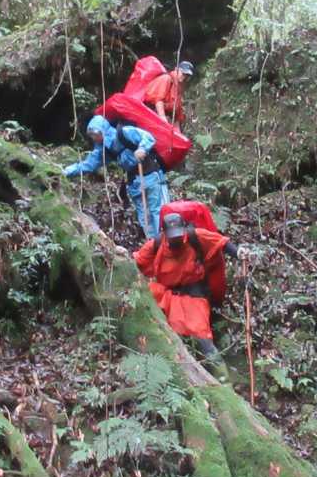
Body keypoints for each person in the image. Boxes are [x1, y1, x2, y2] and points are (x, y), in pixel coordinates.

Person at [133, 212, 241, 361]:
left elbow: (221, 242)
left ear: (184, 229)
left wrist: (240, 253)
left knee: (202, 337)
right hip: (167, 293)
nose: (176, 239)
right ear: (164, 234)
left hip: (193, 294)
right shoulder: (156, 244)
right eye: (172, 237)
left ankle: (219, 374)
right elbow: (137, 262)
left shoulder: (195, 237)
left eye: (178, 235)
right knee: (143, 294)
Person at [64, 115, 168, 238]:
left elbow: (148, 137)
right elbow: (88, 165)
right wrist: (65, 171)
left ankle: (166, 244)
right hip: (135, 183)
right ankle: (153, 246)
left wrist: (142, 149)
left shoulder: (124, 132)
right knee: (144, 217)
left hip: (152, 176)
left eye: (94, 133)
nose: (93, 138)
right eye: (90, 135)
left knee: (159, 212)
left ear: (102, 130)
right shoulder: (103, 149)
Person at [143, 60, 193, 125]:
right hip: (153, 113)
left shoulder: (179, 87)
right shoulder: (166, 79)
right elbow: (158, 101)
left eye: (187, 75)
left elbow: (177, 109)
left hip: (167, 116)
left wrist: (177, 129)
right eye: (183, 73)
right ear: (176, 69)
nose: (184, 77)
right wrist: (163, 119)